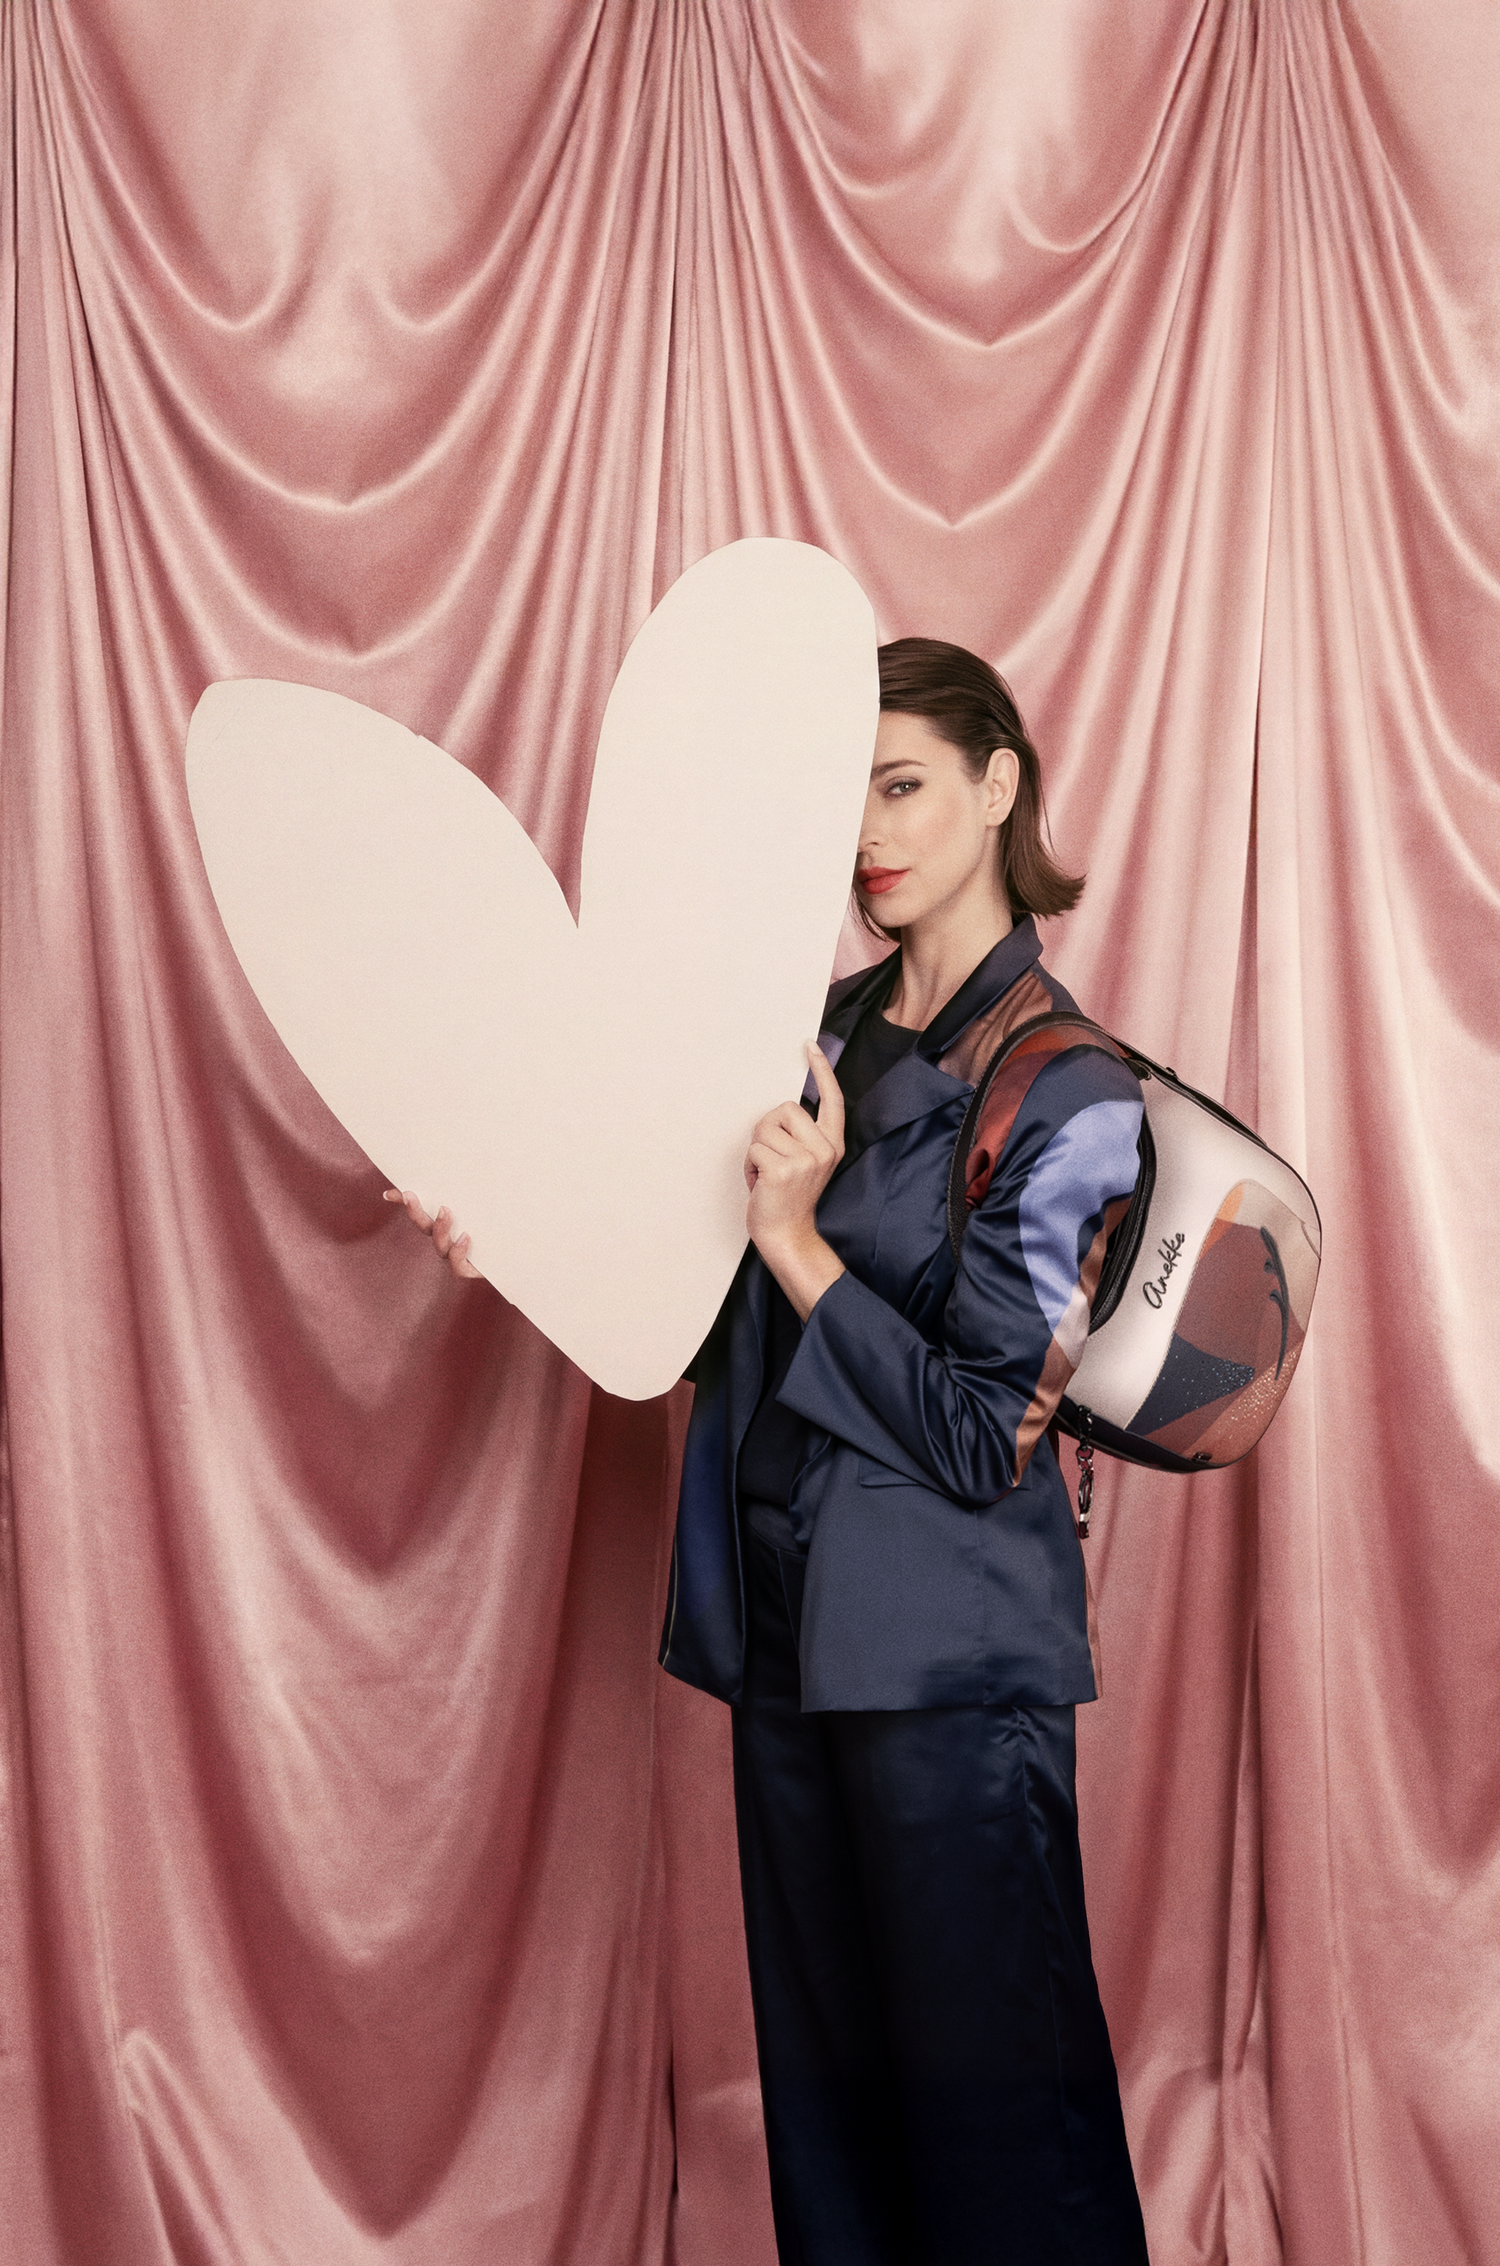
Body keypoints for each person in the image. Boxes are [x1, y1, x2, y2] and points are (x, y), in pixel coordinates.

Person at [392, 638, 1150, 2266]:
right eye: (843, 794)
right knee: (833, 2135)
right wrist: (511, 1232)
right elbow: (695, 1296)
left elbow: (980, 1432)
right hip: (791, 1646)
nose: (867, 832)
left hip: (952, 1681)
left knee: (1002, 2148)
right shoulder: (809, 1032)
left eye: (903, 784)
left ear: (998, 786)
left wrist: (801, 1243)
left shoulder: (1075, 1088)